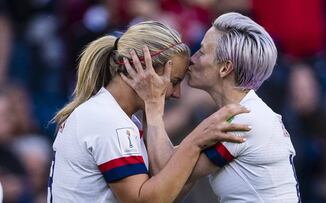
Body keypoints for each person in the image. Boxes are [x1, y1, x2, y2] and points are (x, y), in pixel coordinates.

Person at [47, 21, 250, 203]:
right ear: (144, 70)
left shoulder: (116, 116)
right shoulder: (109, 121)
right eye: (174, 82)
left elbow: (166, 192)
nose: (177, 94)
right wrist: (194, 142)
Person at [123, 12, 300, 202]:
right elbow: (176, 175)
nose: (192, 58)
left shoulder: (242, 123)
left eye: (202, 52)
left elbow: (166, 172)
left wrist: (152, 103)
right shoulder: (246, 114)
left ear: (225, 68)